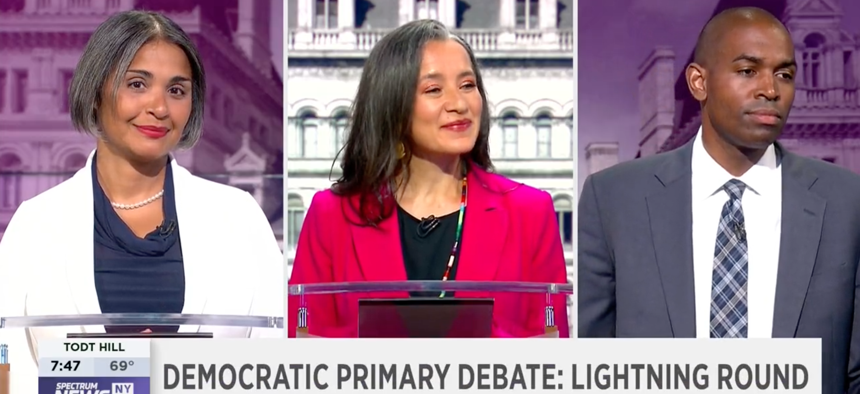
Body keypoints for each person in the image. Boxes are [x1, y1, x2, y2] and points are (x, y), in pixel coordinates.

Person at [578, 6, 860, 392]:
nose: (770, 90)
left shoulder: (846, 203)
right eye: (748, 71)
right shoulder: (613, 199)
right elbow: (593, 367)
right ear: (699, 82)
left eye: (785, 74)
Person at [0, 10, 284, 392]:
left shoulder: (239, 218)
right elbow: (9, 365)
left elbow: (273, 360)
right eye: (137, 84)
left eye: (177, 90)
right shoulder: (35, 224)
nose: (160, 107)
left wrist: (162, 369)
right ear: (95, 90)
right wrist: (123, 368)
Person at [287, 19, 569, 338]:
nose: (459, 104)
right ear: (393, 104)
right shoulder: (332, 215)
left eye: (467, 85)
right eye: (434, 90)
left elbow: (550, 356)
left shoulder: (530, 212)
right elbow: (305, 355)